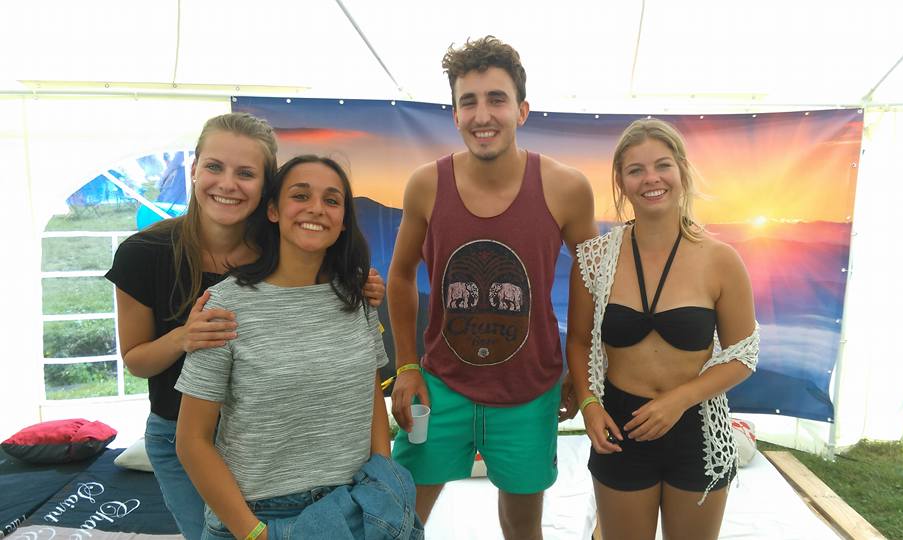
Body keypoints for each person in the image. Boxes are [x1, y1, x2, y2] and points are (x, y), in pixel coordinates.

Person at [104, 113, 384, 539]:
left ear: (266, 189)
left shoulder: (283, 248)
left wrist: (360, 283)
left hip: (268, 440)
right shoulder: (144, 254)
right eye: (215, 167)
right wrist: (184, 337)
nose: (228, 184)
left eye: (246, 173)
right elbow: (137, 360)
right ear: (194, 169)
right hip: (183, 429)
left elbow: (332, 301)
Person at [387, 36, 597, 539]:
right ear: (455, 115)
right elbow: (400, 274)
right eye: (469, 101)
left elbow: (592, 275)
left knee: (522, 525)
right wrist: (407, 366)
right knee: (397, 516)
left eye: (497, 99)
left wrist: (580, 370)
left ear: (522, 110)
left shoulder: (566, 187)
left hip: (529, 390)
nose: (483, 115)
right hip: (440, 386)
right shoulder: (426, 185)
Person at [175, 155, 413, 540]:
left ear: (343, 220)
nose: (316, 208)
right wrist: (254, 532)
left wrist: (382, 477)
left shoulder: (357, 297)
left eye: (332, 200)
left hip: (354, 506)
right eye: (300, 195)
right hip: (259, 514)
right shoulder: (226, 305)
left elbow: (368, 394)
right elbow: (192, 440)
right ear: (273, 210)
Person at [565, 118, 759, 540]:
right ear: (621, 182)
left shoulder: (720, 260)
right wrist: (589, 403)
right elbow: (578, 342)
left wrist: (679, 400)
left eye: (662, 165)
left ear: (682, 171)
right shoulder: (594, 259)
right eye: (636, 170)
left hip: (698, 428)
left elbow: (743, 355)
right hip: (620, 429)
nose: (651, 178)